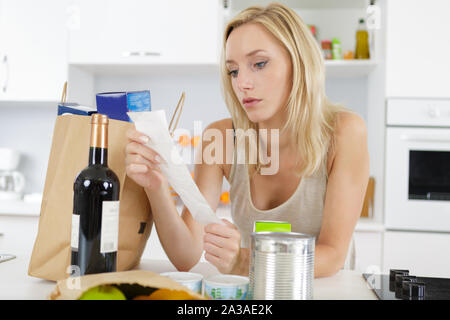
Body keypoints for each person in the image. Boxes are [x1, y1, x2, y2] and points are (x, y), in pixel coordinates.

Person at [125, 3, 369, 278]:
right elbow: (186, 255)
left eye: (259, 64)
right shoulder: (220, 140)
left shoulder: (344, 132)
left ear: (298, 63)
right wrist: (157, 186)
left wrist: (246, 260)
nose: (242, 83)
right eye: (234, 71)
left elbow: (332, 255)